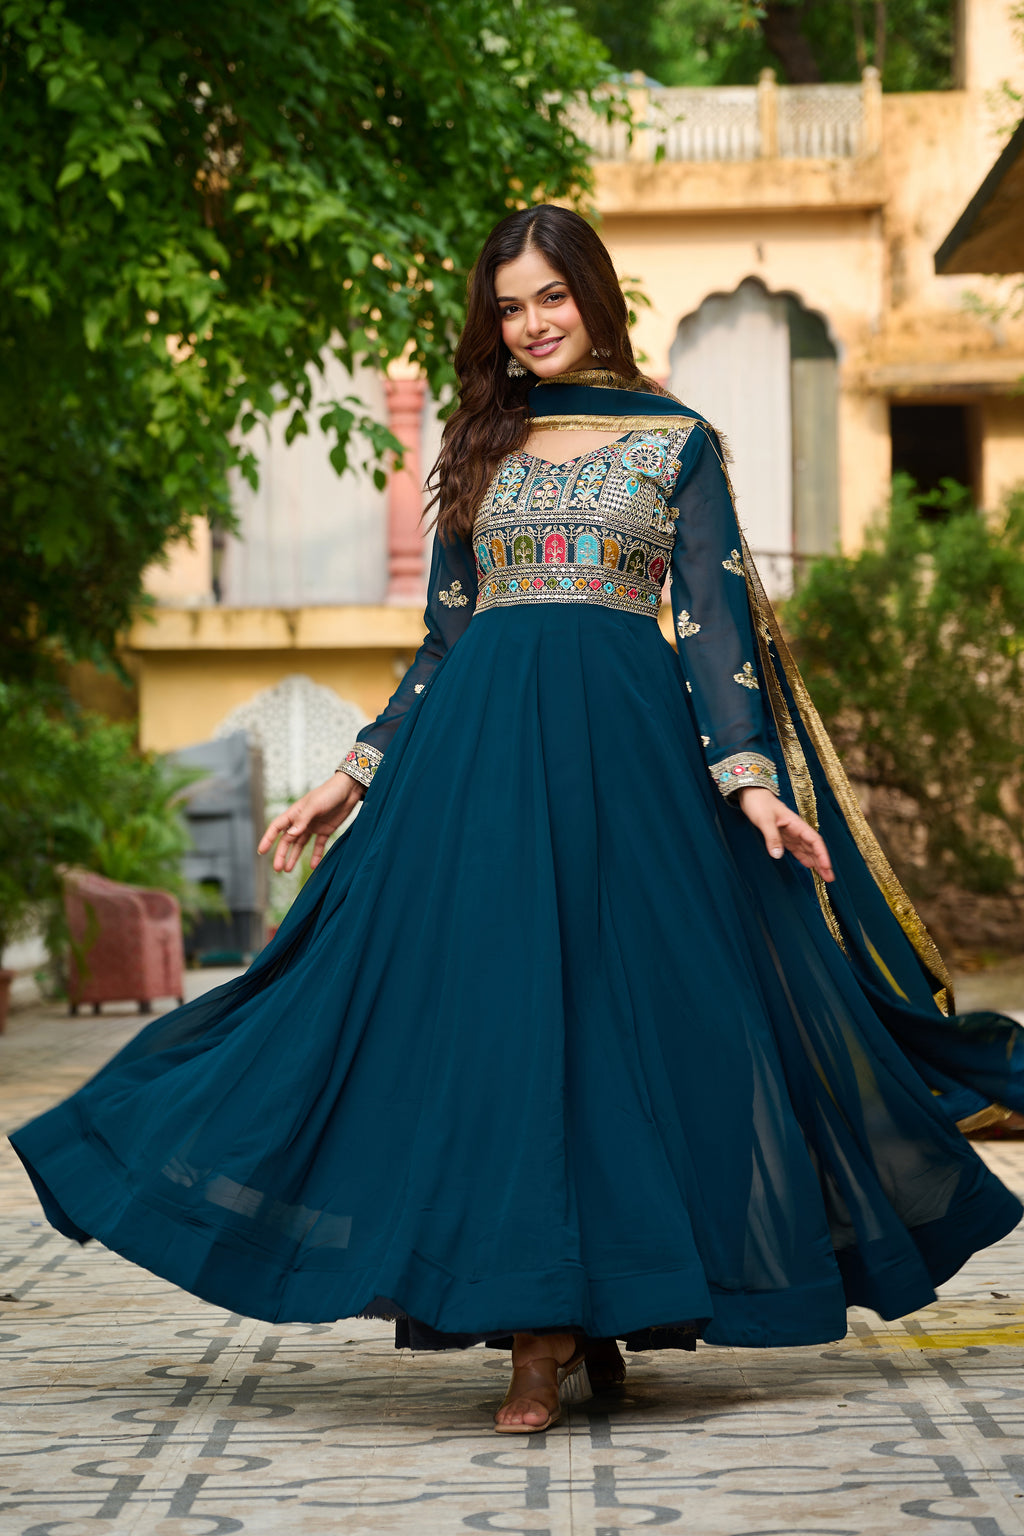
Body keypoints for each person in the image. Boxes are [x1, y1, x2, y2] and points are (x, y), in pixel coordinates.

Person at [12, 205, 1024, 1436]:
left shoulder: (680, 442)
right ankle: (534, 1337)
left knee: (625, 1025)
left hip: (630, 766)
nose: (532, 324)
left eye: (552, 296)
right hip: (476, 767)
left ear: (595, 295)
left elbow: (709, 630)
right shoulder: (480, 439)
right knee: (487, 1023)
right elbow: (443, 637)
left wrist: (752, 784)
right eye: (509, 306)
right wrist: (358, 769)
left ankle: (596, 1311)